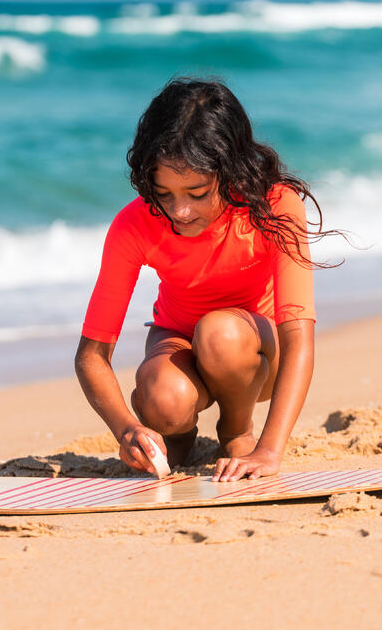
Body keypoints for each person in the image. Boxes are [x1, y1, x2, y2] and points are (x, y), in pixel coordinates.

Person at [74, 78, 339, 482]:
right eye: (164, 193)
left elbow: (298, 337)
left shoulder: (274, 206)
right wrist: (127, 429)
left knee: (219, 334)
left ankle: (236, 430)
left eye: (197, 193)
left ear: (230, 171)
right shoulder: (135, 223)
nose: (179, 211)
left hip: (257, 357)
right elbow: (91, 356)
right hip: (177, 338)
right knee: (164, 401)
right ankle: (180, 437)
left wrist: (270, 450)